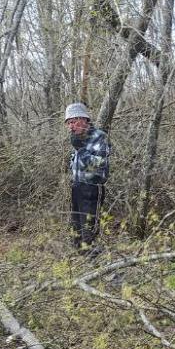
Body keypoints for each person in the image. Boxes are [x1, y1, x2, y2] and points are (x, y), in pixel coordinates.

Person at [65, 102, 111, 252]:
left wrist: (81, 149)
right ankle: (80, 259)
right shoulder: (76, 137)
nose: (70, 127)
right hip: (77, 186)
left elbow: (98, 165)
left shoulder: (99, 137)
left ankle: (93, 259)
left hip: (92, 187)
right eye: (68, 124)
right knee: (76, 224)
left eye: (73, 122)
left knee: (89, 226)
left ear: (83, 120)